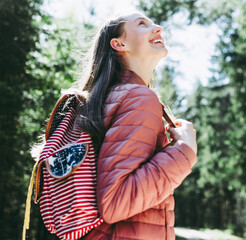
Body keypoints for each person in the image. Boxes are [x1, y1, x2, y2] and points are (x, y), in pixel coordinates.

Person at [74, 12, 198, 240]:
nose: (158, 28)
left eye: (154, 23)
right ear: (119, 44)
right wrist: (183, 151)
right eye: (142, 24)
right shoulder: (138, 98)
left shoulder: (112, 98)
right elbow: (114, 203)